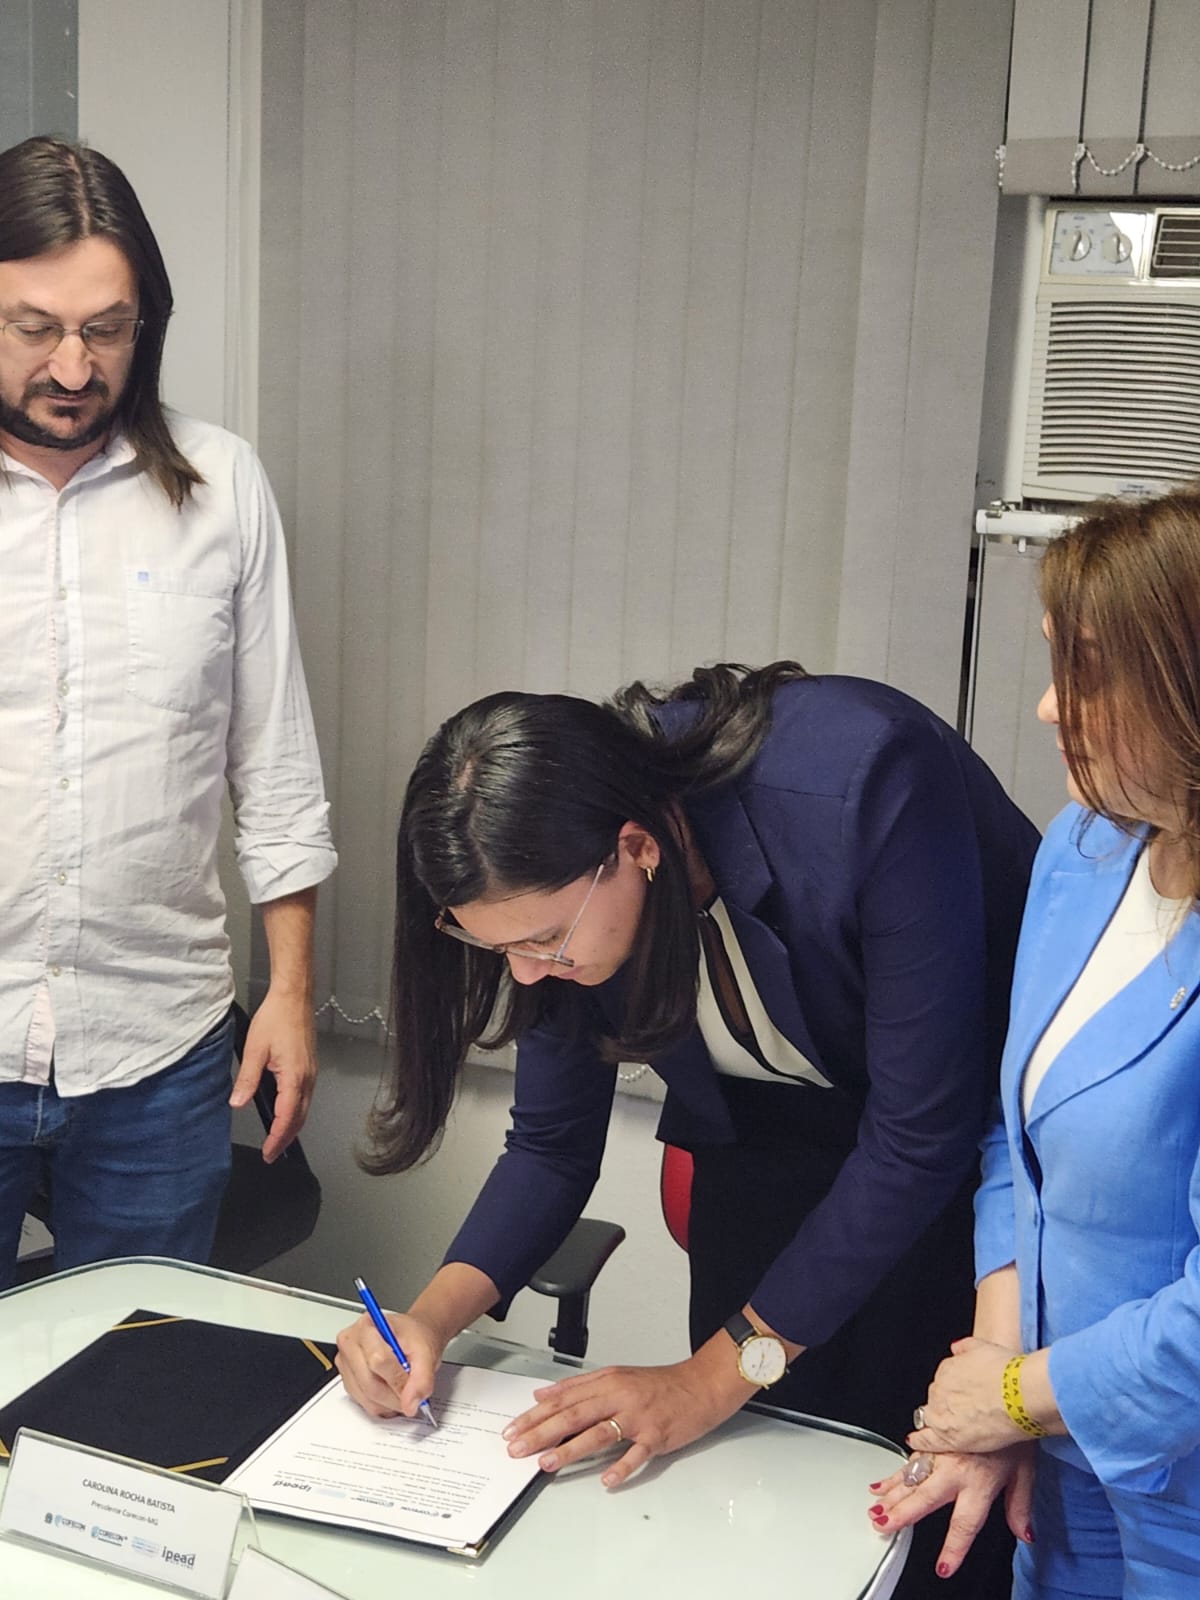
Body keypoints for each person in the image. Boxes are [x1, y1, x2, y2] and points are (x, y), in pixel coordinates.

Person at [335, 660, 1037, 1598]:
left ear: (637, 849)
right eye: (499, 949)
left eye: (542, 941)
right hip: (762, 1140)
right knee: (752, 1489)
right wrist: (427, 1319)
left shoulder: (864, 782)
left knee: (925, 1499)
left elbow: (919, 1137)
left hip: (966, 1156)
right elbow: (550, 1144)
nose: (528, 973)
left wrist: (708, 1378)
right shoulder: (556, 874)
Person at [0, 137, 336, 1287]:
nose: (74, 366)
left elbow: (275, 768)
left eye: (107, 328)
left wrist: (291, 994)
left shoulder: (222, 483)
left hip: (159, 1053)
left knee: (137, 1373)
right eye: (35, 327)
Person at [872, 488, 1200, 1597]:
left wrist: (1013, 1398)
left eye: (1089, 671)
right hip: (1064, 1466)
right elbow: (1017, 1145)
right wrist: (999, 1377)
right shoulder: (1084, 848)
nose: (1052, 706)